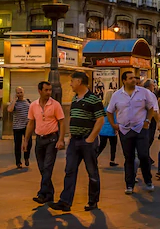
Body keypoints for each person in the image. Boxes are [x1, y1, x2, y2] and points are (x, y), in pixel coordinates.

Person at [50, 71, 105, 212]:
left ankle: (93, 201)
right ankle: (65, 202)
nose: (70, 84)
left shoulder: (94, 99)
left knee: (92, 172)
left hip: (87, 141)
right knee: (69, 170)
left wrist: (91, 138)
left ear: (79, 81)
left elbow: (100, 119)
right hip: (74, 141)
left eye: (72, 81)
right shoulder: (75, 99)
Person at [107, 70, 158, 194]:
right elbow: (109, 111)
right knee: (128, 157)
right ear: (124, 80)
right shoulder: (117, 95)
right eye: (130, 78)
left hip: (141, 128)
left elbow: (151, 107)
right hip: (125, 130)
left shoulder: (144, 92)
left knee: (143, 155)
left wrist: (147, 121)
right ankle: (129, 184)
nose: (133, 80)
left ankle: (148, 180)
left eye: (134, 78)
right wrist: (114, 125)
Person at [22, 80, 65, 205]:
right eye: (46, 90)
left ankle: (42, 193)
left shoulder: (55, 105)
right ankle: (49, 194)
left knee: (47, 167)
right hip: (39, 139)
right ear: (39, 91)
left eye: (50, 90)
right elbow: (30, 123)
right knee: (42, 168)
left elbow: (62, 122)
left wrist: (61, 139)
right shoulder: (33, 105)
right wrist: (26, 141)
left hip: (52, 139)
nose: (48, 92)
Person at [7, 87, 31, 169]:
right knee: (18, 144)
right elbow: (9, 110)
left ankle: (26, 157)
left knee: (29, 143)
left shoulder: (27, 101)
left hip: (26, 126)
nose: (19, 94)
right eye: (18, 93)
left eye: (21, 92)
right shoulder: (14, 103)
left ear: (23, 92)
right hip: (17, 127)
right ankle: (18, 162)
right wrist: (14, 100)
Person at [96, 90, 119, 167]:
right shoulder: (113, 108)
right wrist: (116, 127)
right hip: (111, 129)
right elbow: (114, 118)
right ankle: (112, 160)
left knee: (102, 145)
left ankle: (94, 157)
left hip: (103, 129)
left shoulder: (102, 107)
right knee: (113, 145)